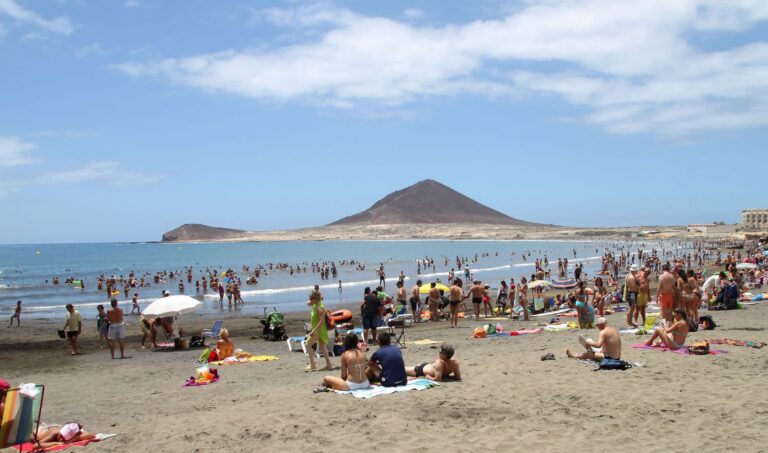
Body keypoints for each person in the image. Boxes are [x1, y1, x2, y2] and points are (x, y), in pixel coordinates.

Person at [305, 291, 333, 372]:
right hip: (318, 329)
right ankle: (329, 365)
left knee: (308, 344)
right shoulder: (315, 304)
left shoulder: (320, 308)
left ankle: (312, 365)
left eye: (312, 299)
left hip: (319, 330)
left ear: (316, 299)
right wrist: (312, 299)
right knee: (322, 346)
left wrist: (313, 331)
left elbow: (321, 322)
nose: (310, 300)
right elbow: (308, 303)